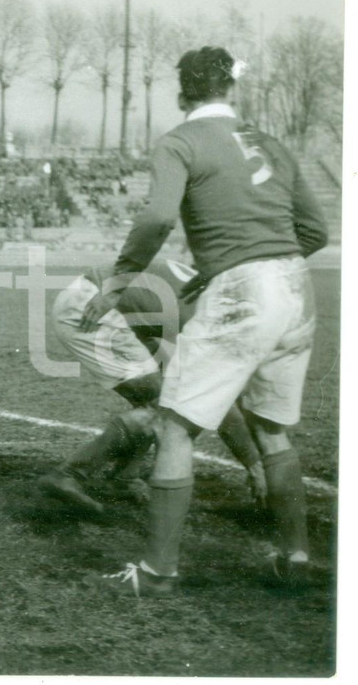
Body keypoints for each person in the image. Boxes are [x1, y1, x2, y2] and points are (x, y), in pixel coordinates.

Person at [81, 46, 328, 597]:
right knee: (272, 430)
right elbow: (315, 232)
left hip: (245, 291)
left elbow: (159, 217)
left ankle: (157, 572)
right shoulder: (270, 141)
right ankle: (295, 557)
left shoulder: (180, 140)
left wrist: (125, 275)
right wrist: (261, 259)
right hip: (296, 288)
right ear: (230, 90)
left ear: (181, 92)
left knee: (174, 427)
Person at [36, 259, 266, 515]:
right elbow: (222, 406)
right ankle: (70, 474)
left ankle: (123, 477)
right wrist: (255, 465)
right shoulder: (213, 316)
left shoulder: (214, 290)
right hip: (93, 310)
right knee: (164, 407)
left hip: (97, 301)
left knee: (160, 398)